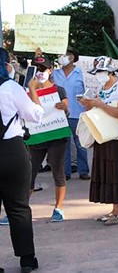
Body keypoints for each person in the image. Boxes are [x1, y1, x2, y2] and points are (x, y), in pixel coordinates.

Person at [0, 48, 43, 272]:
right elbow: (34, 115)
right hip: (11, 151)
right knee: (18, 208)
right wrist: (33, 90)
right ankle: (27, 260)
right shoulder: (10, 87)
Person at [78, 56, 118, 226]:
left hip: (117, 138)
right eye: (97, 72)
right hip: (103, 135)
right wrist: (90, 104)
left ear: (111, 71)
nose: (99, 75)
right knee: (106, 173)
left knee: (116, 173)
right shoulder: (102, 87)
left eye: (102, 71)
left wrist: (99, 104)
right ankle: (113, 210)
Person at [25, 56, 70, 223]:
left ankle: (58, 208)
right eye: (37, 69)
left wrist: (64, 107)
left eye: (43, 69)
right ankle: (21, 208)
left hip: (56, 135)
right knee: (29, 174)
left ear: (50, 70)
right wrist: (32, 89)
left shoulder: (58, 89)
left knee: (58, 172)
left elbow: (66, 109)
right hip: (36, 137)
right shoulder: (26, 91)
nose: (40, 72)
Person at [52, 47, 90, 180]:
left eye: (66, 54)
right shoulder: (54, 74)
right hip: (60, 114)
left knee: (80, 143)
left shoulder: (81, 74)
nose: (63, 57)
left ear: (73, 57)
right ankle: (65, 172)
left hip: (78, 113)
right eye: (61, 54)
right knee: (63, 144)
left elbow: (89, 92)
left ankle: (83, 170)